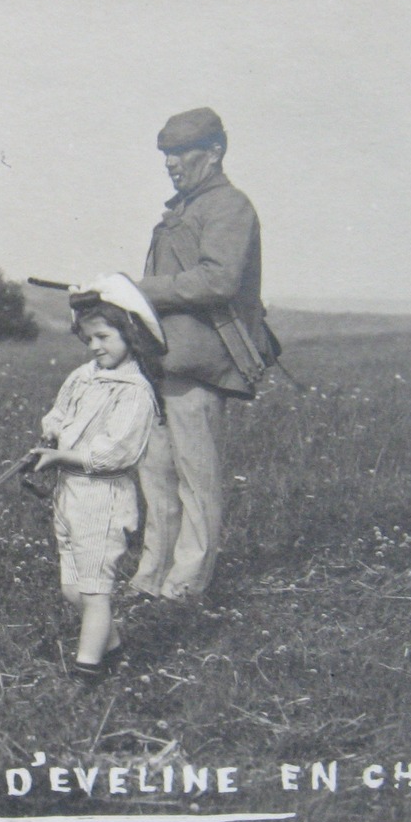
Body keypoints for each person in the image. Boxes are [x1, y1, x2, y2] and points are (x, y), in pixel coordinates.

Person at [130, 107, 271, 605]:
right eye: (167, 153)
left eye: (182, 152)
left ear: (214, 153)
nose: (171, 162)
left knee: (196, 480)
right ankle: (151, 578)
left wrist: (139, 290)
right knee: (158, 480)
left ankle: (186, 585)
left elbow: (219, 280)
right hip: (164, 365)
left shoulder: (229, 206)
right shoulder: (185, 211)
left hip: (199, 366)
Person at [30, 274, 167, 685]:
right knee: (74, 590)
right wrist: (50, 435)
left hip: (103, 497)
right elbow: (59, 413)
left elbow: (114, 453)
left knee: (94, 592)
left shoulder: (135, 392)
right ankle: (115, 648)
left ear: (130, 333)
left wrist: (61, 455)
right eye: (88, 339)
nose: (95, 347)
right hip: (69, 493)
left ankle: (86, 672)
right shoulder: (84, 376)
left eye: (104, 337)